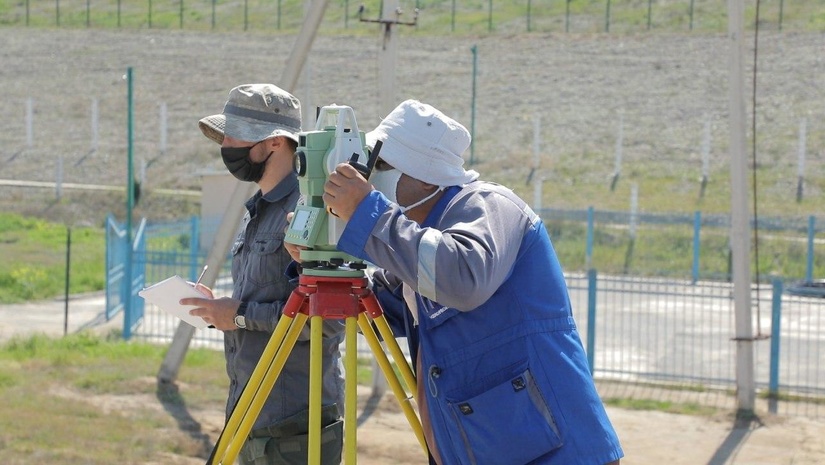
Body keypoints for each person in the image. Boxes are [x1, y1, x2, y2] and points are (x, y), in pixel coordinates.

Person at [293, 99, 624, 464]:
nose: (371, 177)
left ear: (422, 173)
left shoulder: (490, 205)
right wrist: (319, 260)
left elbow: (462, 276)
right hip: (492, 447)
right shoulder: (420, 237)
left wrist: (369, 213)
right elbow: (376, 308)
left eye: (382, 165)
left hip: (554, 450)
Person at [182, 83, 345, 465]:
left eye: (235, 134)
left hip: (292, 428)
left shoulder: (307, 211)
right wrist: (220, 310)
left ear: (273, 142)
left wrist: (237, 315)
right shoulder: (259, 209)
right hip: (251, 413)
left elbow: (327, 321)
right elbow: (266, 301)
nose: (226, 144)